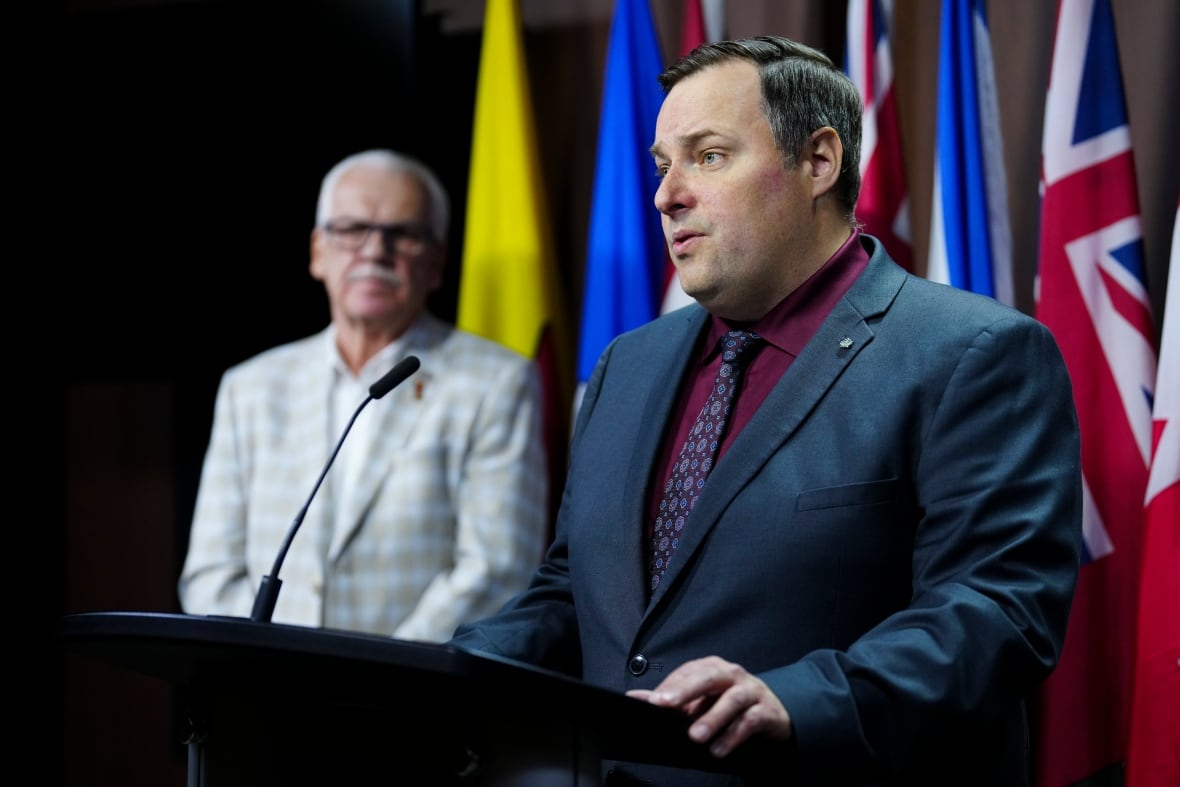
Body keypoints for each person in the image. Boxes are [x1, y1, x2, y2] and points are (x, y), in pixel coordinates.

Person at [449, 36, 1082, 786]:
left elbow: (997, 610)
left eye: (708, 156)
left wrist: (796, 699)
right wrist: (443, 671)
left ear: (819, 160)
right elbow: (573, 590)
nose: (666, 194)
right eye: (661, 165)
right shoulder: (628, 365)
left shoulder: (975, 353)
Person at [178, 149, 549, 642]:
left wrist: (374, 678)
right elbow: (210, 572)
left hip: (408, 700)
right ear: (317, 251)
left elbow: (495, 570)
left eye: (403, 233)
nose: (375, 251)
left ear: (436, 262)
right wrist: (265, 667)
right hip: (262, 697)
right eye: (352, 229)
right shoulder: (249, 388)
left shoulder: (497, 382)